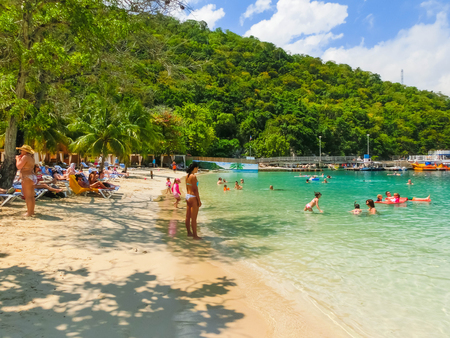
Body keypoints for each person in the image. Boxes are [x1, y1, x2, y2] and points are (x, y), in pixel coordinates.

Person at [16, 145, 36, 217]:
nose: (20, 151)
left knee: (27, 196)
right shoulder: (31, 158)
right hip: (31, 176)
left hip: (26, 177)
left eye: (22, 150)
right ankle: (31, 211)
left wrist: (17, 159)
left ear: (25, 151)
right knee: (31, 196)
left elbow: (19, 166)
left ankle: (29, 212)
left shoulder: (25, 157)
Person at [185, 162, 202, 240]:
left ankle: (189, 232)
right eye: (197, 168)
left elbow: (187, 187)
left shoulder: (187, 176)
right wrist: (199, 200)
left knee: (188, 216)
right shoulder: (193, 176)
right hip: (193, 197)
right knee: (194, 218)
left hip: (187, 196)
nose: (197, 169)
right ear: (194, 168)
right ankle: (195, 235)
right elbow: (195, 190)